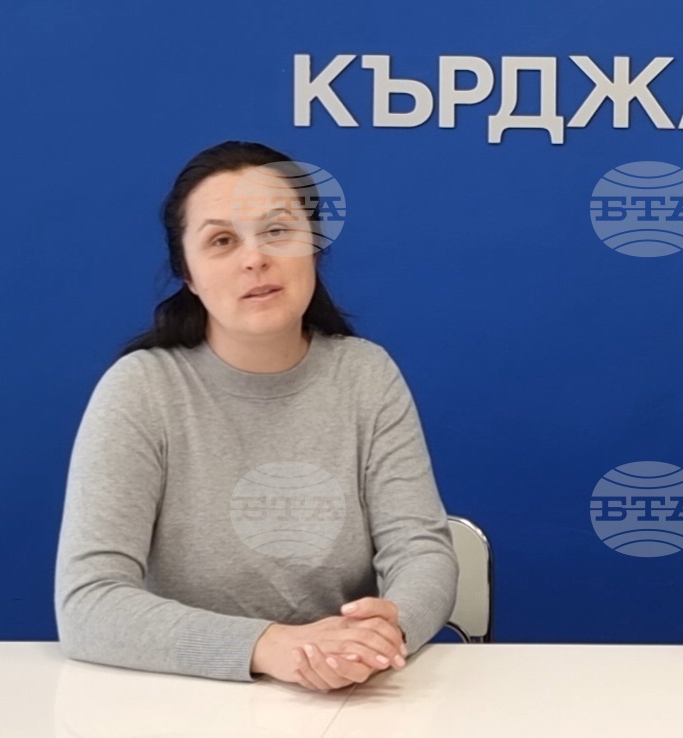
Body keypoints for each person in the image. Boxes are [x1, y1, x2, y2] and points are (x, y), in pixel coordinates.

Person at [55, 141, 457, 689]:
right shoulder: (141, 389)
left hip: (350, 696)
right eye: (222, 240)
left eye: (277, 231)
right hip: (183, 698)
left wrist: (389, 629)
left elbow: (421, 551)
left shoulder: (366, 374)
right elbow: (88, 602)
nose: (254, 259)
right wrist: (271, 646)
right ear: (188, 274)